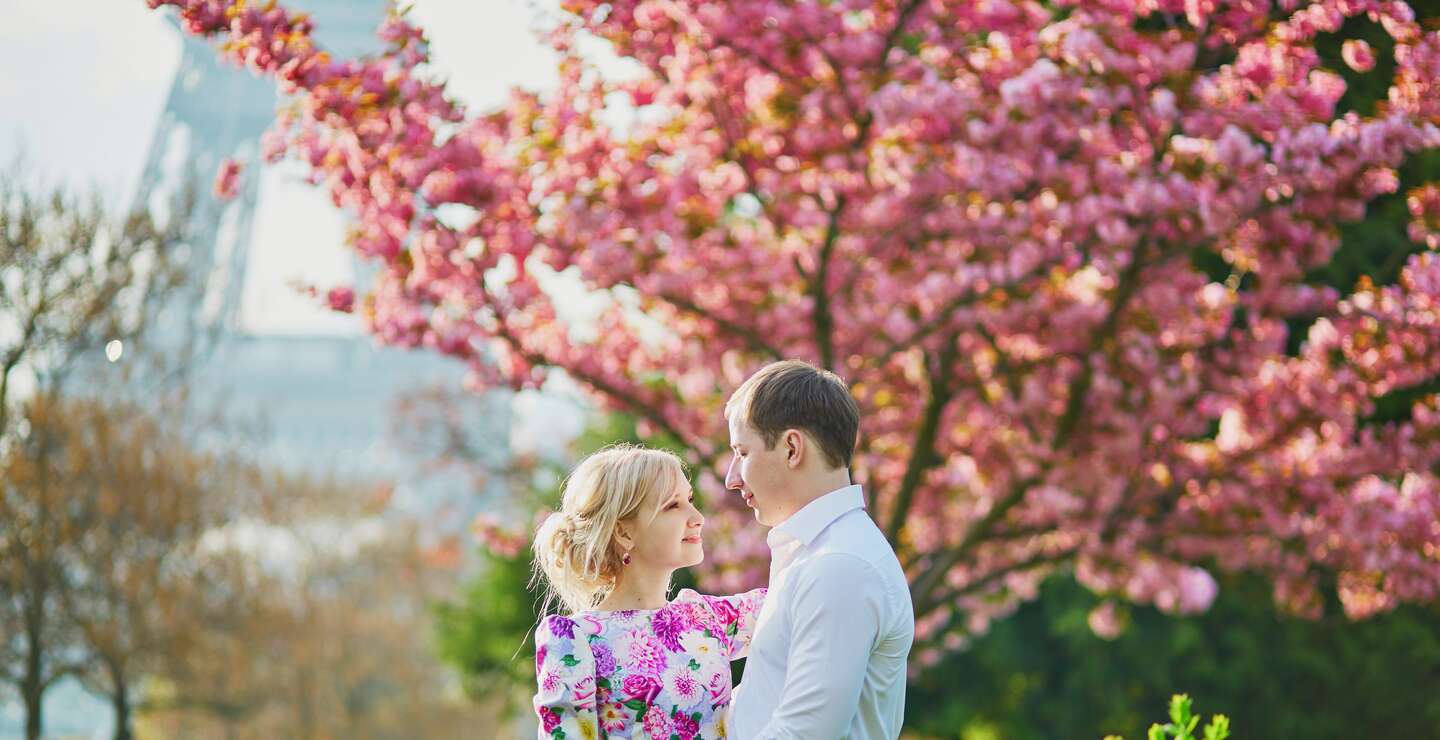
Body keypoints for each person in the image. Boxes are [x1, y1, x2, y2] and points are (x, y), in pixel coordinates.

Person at [725, 360, 914, 739]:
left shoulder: (840, 566)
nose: (731, 478)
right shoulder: (819, 555)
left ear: (792, 448)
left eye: (742, 453)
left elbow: (804, 732)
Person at [531, 444, 766, 739]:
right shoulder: (573, 638)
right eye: (672, 505)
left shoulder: (708, 618)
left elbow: (797, 597)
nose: (697, 517)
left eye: (690, 499)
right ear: (624, 532)